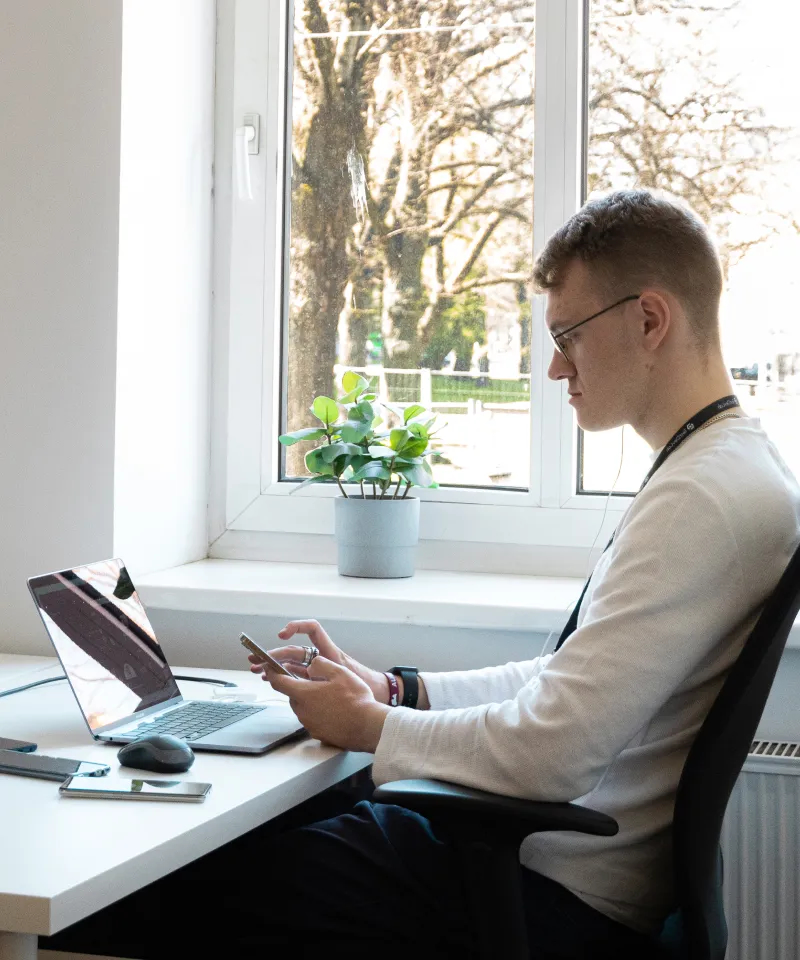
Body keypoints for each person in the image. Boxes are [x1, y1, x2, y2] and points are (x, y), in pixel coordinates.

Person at [42, 190, 800, 960]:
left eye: (569, 334)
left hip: (551, 896)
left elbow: (553, 750)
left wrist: (371, 727)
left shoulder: (701, 498)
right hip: (530, 868)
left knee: (155, 888)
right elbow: (570, 682)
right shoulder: (726, 470)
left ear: (649, 320)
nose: (554, 366)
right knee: (257, 832)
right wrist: (400, 691)